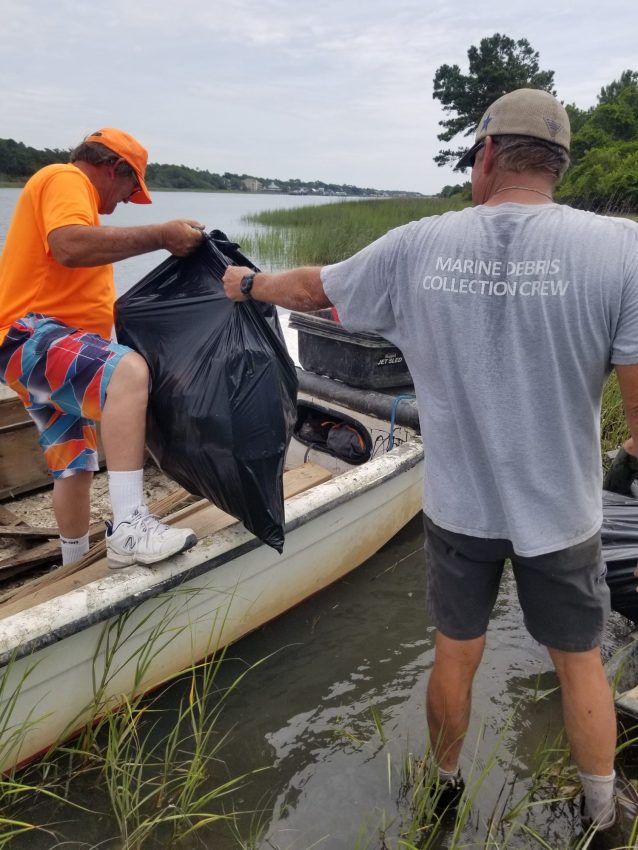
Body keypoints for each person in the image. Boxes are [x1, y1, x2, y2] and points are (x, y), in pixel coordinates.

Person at [223, 89, 638, 845]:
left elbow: (315, 289)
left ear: (485, 157)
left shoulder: (419, 243)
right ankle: (604, 814)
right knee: (579, 662)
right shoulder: (621, 250)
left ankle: (444, 794)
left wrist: (247, 284)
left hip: (458, 508)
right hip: (564, 513)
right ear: (559, 165)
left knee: (457, 651)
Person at [0, 128, 203, 569]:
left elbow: (72, 258)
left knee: (75, 463)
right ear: (115, 168)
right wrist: (162, 236)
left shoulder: (84, 209)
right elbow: (68, 245)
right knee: (129, 372)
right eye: (133, 186)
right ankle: (130, 526)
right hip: (30, 336)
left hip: (41, 348)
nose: (130, 198)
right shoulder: (65, 178)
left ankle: (74, 565)